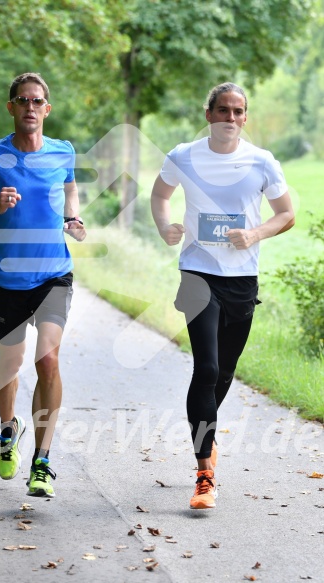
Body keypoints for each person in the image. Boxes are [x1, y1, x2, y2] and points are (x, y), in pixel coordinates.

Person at [151, 82, 295, 510]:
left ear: (245, 118)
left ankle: (206, 437)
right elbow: (160, 196)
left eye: (238, 111)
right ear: (208, 113)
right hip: (197, 273)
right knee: (208, 367)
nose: (230, 118)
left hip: (242, 280)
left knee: (227, 371)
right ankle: (204, 474)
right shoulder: (183, 156)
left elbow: (286, 214)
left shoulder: (261, 161)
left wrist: (254, 232)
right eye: (223, 110)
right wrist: (164, 226)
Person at [0, 72, 86, 498]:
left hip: (54, 275)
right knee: (10, 365)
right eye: (22, 101)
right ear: (10, 107)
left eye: (37, 101)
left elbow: (69, 188)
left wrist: (72, 218)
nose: (30, 107)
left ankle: (42, 461)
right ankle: (8, 429)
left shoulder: (62, 151)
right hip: (8, 279)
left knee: (47, 361)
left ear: (46, 109)